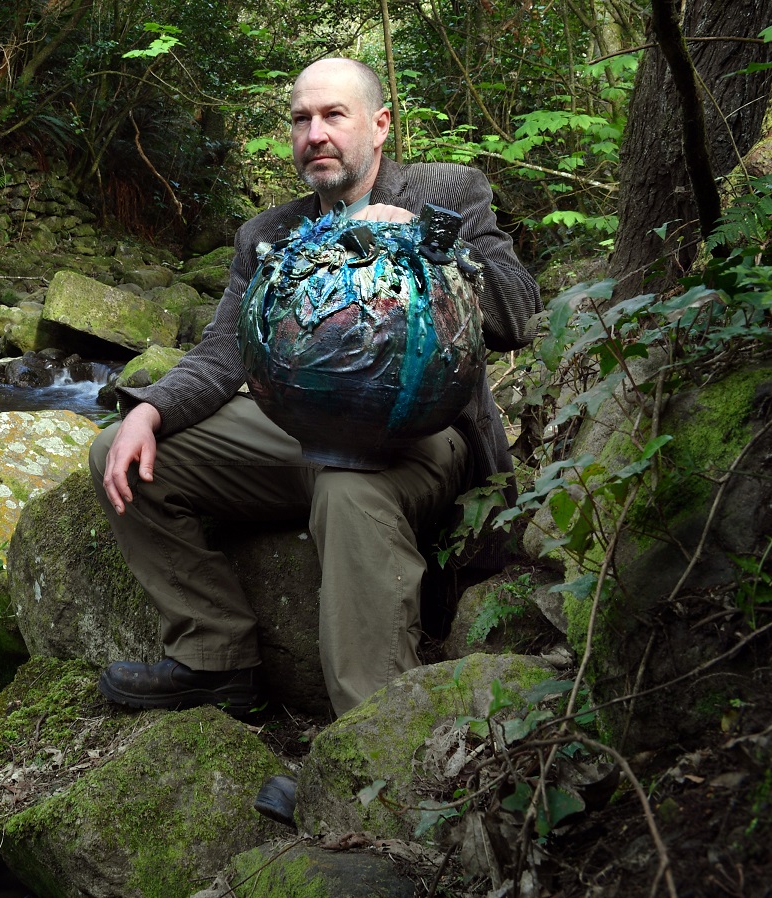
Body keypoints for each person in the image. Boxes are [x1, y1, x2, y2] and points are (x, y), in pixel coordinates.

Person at [88, 57, 540, 721]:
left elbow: (519, 313)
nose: (315, 133)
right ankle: (215, 659)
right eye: (302, 119)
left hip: (423, 437)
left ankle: (377, 742)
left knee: (348, 486)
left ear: (380, 125)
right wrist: (149, 410)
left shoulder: (449, 191)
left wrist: (422, 243)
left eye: (333, 115)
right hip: (300, 429)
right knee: (120, 455)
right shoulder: (267, 234)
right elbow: (222, 353)